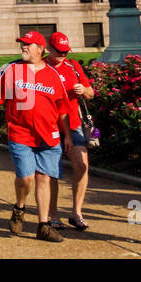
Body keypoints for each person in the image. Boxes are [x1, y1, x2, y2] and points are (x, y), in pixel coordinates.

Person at [0, 31, 73, 242]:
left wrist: (68, 136)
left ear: (40, 49)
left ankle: (43, 225)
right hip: (20, 133)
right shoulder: (13, 71)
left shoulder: (53, 75)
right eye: (22, 44)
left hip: (48, 136)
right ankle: (20, 207)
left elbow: (63, 109)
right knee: (26, 177)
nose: (23, 47)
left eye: (28, 44)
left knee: (44, 178)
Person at [43, 32, 94, 230]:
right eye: (59, 52)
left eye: (65, 52)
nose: (63, 55)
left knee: (82, 165)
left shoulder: (73, 66)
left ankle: (76, 213)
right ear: (49, 48)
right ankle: (53, 214)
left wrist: (83, 90)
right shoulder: (41, 67)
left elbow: (90, 93)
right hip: (49, 125)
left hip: (73, 123)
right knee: (52, 171)